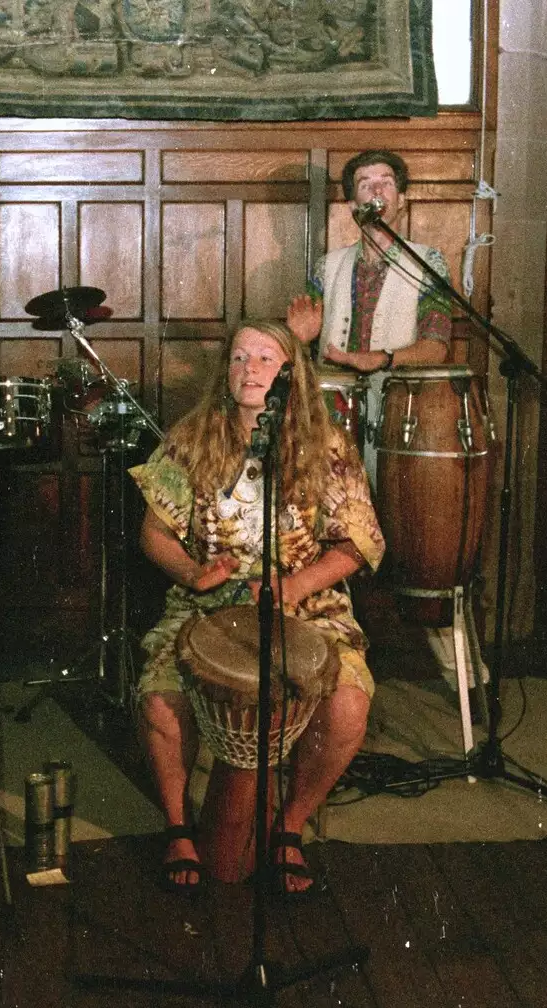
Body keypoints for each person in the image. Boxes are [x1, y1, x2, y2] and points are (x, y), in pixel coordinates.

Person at [130, 320, 384, 893]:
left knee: (348, 708)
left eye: (266, 358)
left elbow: (360, 544)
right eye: (240, 357)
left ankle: (290, 827)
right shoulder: (191, 438)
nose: (249, 368)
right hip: (208, 605)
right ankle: (178, 828)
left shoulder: (329, 446)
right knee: (159, 700)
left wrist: (293, 588)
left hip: (307, 605)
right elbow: (154, 533)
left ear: (292, 374)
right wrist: (195, 573)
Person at [286, 149, 452, 481]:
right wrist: (300, 339)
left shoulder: (428, 262)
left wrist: (381, 358)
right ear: (351, 206)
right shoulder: (327, 265)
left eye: (386, 183)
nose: (376, 191)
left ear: (401, 199)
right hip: (329, 416)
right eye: (365, 184)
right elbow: (297, 347)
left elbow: (437, 348)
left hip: (398, 414)